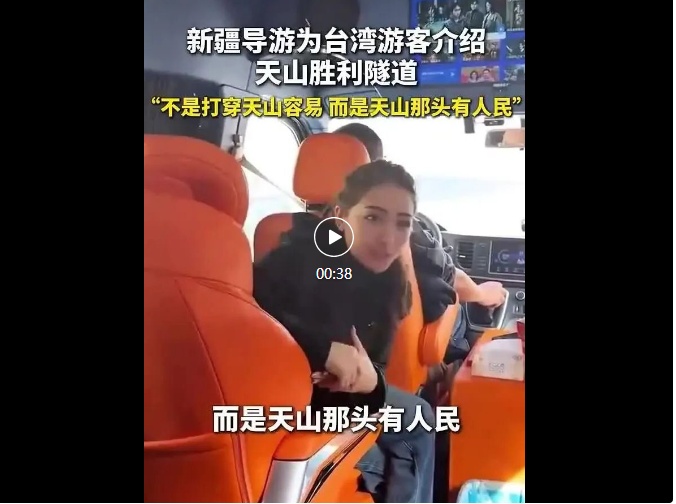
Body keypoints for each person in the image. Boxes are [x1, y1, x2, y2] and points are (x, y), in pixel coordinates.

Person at [253, 160, 436, 503]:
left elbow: (370, 369)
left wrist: (370, 385)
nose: (389, 240)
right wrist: (322, 349)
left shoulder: (389, 280)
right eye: (373, 218)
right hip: (289, 406)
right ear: (341, 216)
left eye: (403, 223)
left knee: (415, 416)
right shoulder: (302, 258)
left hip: (336, 400)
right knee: (419, 419)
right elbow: (246, 303)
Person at [332, 122, 507, 372]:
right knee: (458, 309)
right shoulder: (404, 232)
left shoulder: (284, 231)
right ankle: (449, 371)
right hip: (390, 367)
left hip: (331, 364)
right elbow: (452, 281)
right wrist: (483, 293)